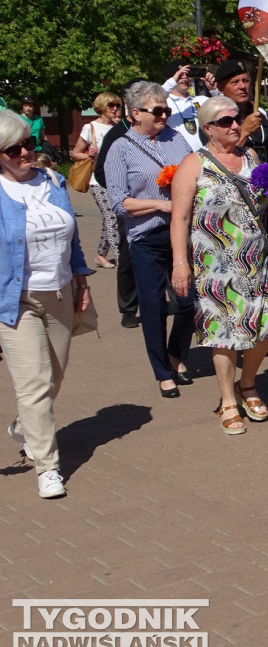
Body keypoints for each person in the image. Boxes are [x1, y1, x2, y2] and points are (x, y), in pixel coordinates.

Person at [169, 97, 268, 435]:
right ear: (207, 128)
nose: (234, 126)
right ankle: (227, 399)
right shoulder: (193, 164)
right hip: (214, 265)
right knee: (223, 333)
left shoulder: (250, 157)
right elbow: (179, 218)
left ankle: (247, 383)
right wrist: (180, 263)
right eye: (224, 122)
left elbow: (262, 200)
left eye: (235, 119)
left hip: (254, 260)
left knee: (263, 326)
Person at [0, 109, 92, 499]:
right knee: (34, 384)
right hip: (14, 300)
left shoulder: (53, 182)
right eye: (12, 149)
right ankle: (46, 466)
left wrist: (82, 280)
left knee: (54, 376)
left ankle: (26, 425)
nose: (24, 153)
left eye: (28, 144)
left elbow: (72, 240)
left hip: (60, 292)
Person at [105, 81, 195, 399]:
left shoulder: (177, 140)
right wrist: (160, 204)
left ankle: (175, 354)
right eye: (157, 111)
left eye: (166, 110)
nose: (163, 116)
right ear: (135, 114)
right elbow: (119, 202)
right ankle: (162, 371)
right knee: (154, 305)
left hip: (181, 234)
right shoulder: (120, 148)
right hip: (146, 237)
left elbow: (196, 175)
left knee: (188, 302)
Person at [213, 60, 268, 248]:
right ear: (220, 87)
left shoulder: (258, 114)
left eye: (245, 80)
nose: (242, 86)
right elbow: (218, 160)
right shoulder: (216, 118)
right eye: (235, 82)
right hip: (236, 205)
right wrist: (244, 132)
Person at [94, 78, 146, 329]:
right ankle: (128, 307)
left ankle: (176, 301)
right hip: (129, 207)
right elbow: (101, 171)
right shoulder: (117, 133)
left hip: (160, 204)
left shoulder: (160, 131)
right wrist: (121, 194)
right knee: (127, 257)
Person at [70, 92, 123, 269]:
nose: (115, 109)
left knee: (111, 216)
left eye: (117, 105)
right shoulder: (90, 127)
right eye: (111, 105)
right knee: (112, 217)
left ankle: (100, 255)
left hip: (116, 178)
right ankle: (121, 257)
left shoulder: (120, 126)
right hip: (97, 179)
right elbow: (75, 153)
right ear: (102, 107)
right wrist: (87, 154)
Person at [162, 61, 218, 151]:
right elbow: (152, 98)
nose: (184, 78)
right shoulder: (163, 102)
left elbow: (228, 110)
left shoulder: (201, 100)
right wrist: (172, 82)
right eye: (180, 75)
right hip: (177, 160)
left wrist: (214, 90)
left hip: (206, 158)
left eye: (187, 74)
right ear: (169, 80)